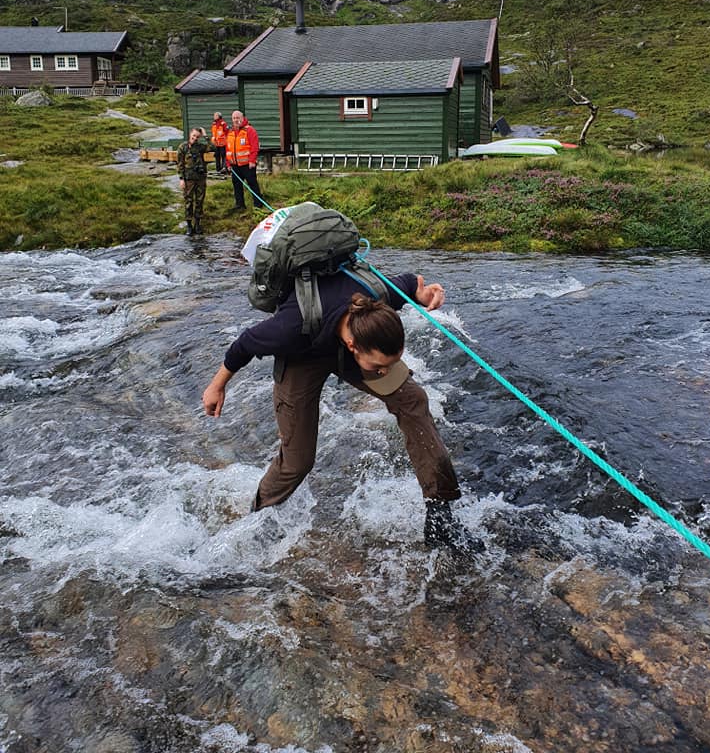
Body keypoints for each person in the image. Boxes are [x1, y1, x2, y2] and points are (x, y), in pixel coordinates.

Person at [202, 271, 482, 556]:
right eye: (380, 366)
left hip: (350, 347)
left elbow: (410, 282)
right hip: (302, 354)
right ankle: (258, 518)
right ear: (353, 346)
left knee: (412, 399)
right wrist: (216, 386)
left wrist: (422, 294)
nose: (385, 371)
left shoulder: (378, 295)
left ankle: (440, 518)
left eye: (391, 362)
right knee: (297, 461)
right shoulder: (288, 328)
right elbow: (245, 343)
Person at [177, 126, 214, 235]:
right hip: (189, 179)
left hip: (200, 178)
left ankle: (197, 224)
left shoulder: (200, 147)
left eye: (197, 137)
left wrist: (205, 136)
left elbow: (213, 148)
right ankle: (189, 225)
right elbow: (180, 164)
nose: (195, 138)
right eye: (193, 136)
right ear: (190, 135)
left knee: (200, 201)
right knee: (188, 201)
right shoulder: (183, 147)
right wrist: (181, 179)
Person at [226, 109, 263, 210]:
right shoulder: (230, 132)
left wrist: (252, 161)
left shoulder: (249, 130)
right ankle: (240, 205)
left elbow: (254, 147)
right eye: (234, 118)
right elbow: (228, 149)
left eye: (238, 118)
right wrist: (228, 163)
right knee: (237, 185)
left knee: (252, 184)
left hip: (247, 164)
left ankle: (258, 204)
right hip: (235, 165)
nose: (236, 120)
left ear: (242, 118)